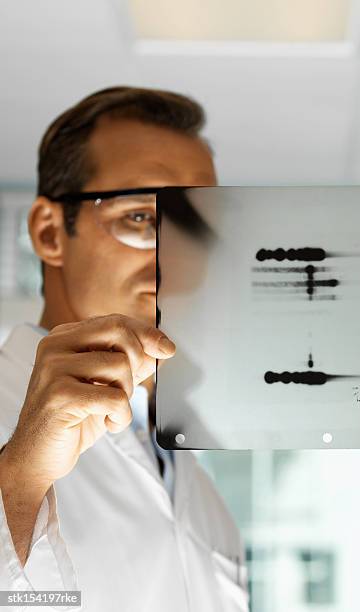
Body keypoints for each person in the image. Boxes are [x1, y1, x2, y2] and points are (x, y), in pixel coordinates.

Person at [0, 87, 248, 611]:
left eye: (195, 227)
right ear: (49, 232)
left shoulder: (202, 493)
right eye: (141, 218)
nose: (175, 259)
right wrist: (19, 481)